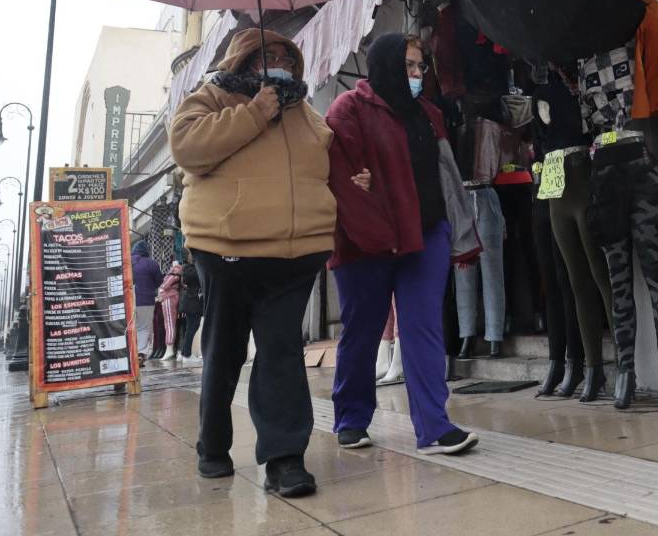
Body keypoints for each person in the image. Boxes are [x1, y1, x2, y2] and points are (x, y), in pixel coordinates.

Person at [170, 28, 337, 498]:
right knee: (223, 349)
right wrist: (255, 111)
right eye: (271, 53)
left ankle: (285, 459)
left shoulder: (304, 109)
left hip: (294, 252)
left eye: (288, 55)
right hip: (227, 251)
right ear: (244, 59)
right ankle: (213, 446)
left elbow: (325, 156)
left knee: (282, 352)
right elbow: (187, 148)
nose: (282, 61)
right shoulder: (212, 96)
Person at [326, 33, 482, 456]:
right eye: (408, 66)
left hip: (424, 234)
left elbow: (444, 174)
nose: (416, 75)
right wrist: (369, 197)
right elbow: (342, 179)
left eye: (420, 67)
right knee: (362, 330)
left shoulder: (428, 113)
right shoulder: (348, 110)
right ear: (385, 65)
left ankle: (434, 426)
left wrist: (455, 229)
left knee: (423, 327)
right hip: (365, 240)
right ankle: (352, 419)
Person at [131, 241, 162, 365]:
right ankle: (140, 354)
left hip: (128, 301)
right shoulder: (151, 264)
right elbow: (160, 281)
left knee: (130, 328)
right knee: (143, 328)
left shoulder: (126, 262)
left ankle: (129, 354)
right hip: (145, 301)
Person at [178, 253, 204, 364]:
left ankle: (183, 352)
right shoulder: (196, 270)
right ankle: (186, 355)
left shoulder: (186, 270)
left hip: (189, 302)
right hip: (194, 303)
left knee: (189, 328)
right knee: (192, 328)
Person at [157, 262, 183, 361]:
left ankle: (169, 349)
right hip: (172, 296)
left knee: (169, 324)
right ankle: (170, 349)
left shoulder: (176, 269)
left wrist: (160, 293)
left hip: (169, 297)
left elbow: (165, 285)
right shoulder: (178, 270)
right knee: (170, 324)